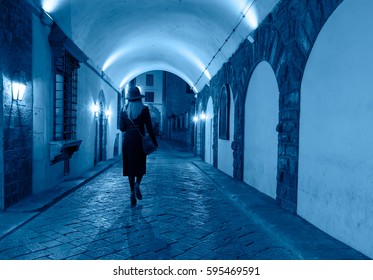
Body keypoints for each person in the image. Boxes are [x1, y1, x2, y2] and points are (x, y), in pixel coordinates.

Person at [120, 86, 158, 205]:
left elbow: (122, 128)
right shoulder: (144, 109)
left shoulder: (124, 110)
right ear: (139, 98)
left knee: (130, 166)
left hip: (128, 141)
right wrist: (155, 142)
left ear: (130, 99)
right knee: (140, 165)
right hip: (139, 141)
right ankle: (137, 184)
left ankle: (131, 192)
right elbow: (150, 128)